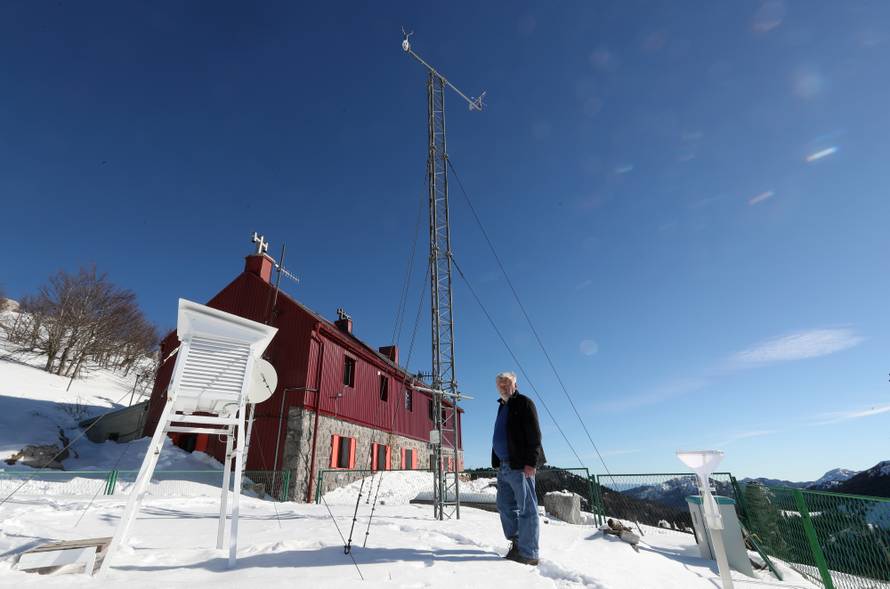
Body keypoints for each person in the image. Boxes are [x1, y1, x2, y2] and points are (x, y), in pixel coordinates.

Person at [491, 371, 546, 566]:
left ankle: (529, 553)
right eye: (500, 385)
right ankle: (518, 544)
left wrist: (532, 462)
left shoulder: (524, 402)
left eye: (506, 384)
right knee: (504, 506)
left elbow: (534, 434)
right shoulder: (503, 406)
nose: (503, 388)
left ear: (515, 384)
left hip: (521, 465)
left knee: (527, 508)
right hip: (505, 466)